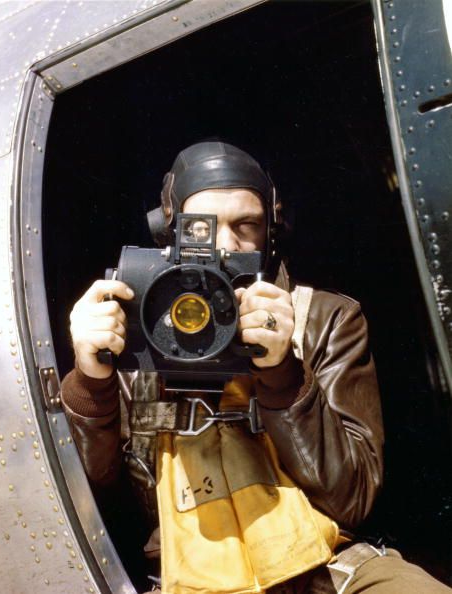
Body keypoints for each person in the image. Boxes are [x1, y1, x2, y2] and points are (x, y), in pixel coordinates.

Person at [61, 142, 451, 594]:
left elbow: (354, 498)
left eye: (247, 225)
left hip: (329, 565)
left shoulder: (321, 318)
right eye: (201, 227)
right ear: (169, 233)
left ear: (271, 233)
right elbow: (88, 502)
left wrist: (283, 372)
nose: (227, 244)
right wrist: (91, 382)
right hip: (193, 576)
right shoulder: (135, 331)